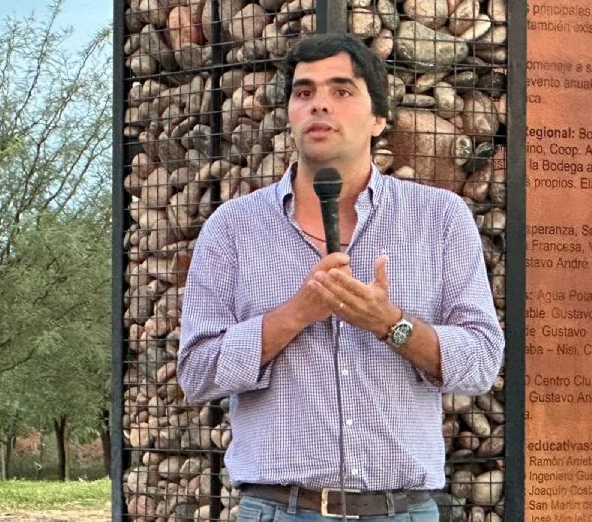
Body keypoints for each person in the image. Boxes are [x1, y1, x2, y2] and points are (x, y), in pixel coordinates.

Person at [177, 33, 504, 521]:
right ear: (290, 112)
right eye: (304, 92)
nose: (319, 105)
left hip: (402, 511)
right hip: (279, 510)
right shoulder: (233, 228)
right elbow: (197, 372)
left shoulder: (440, 218)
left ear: (377, 119)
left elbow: (481, 362)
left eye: (341, 91)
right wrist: (295, 314)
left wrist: (389, 323)